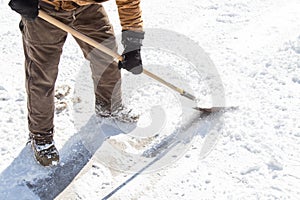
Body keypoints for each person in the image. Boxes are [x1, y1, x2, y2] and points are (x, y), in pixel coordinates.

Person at [8, 0, 144, 166]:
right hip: (47, 7)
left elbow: (129, 3)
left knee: (106, 59)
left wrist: (133, 44)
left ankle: (109, 107)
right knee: (42, 76)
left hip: (87, 7)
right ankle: (41, 137)